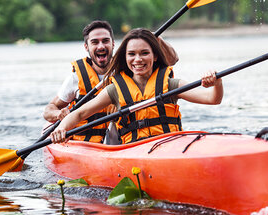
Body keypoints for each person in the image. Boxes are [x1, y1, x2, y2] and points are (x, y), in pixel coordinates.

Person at [50, 28, 223, 145]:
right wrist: (61, 129)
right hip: (133, 151)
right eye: (131, 54)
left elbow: (213, 99)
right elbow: (80, 113)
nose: (138, 59)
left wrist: (217, 83)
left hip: (170, 146)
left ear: (155, 56)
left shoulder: (170, 85)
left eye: (144, 53)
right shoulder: (115, 90)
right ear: (125, 58)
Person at [43, 21, 179, 143]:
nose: (101, 46)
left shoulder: (130, 68)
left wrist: (156, 39)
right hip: (86, 142)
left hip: (119, 138)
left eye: (105, 41)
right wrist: (58, 114)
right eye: (95, 42)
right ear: (86, 47)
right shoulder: (75, 78)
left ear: (113, 44)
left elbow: (172, 60)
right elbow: (48, 110)